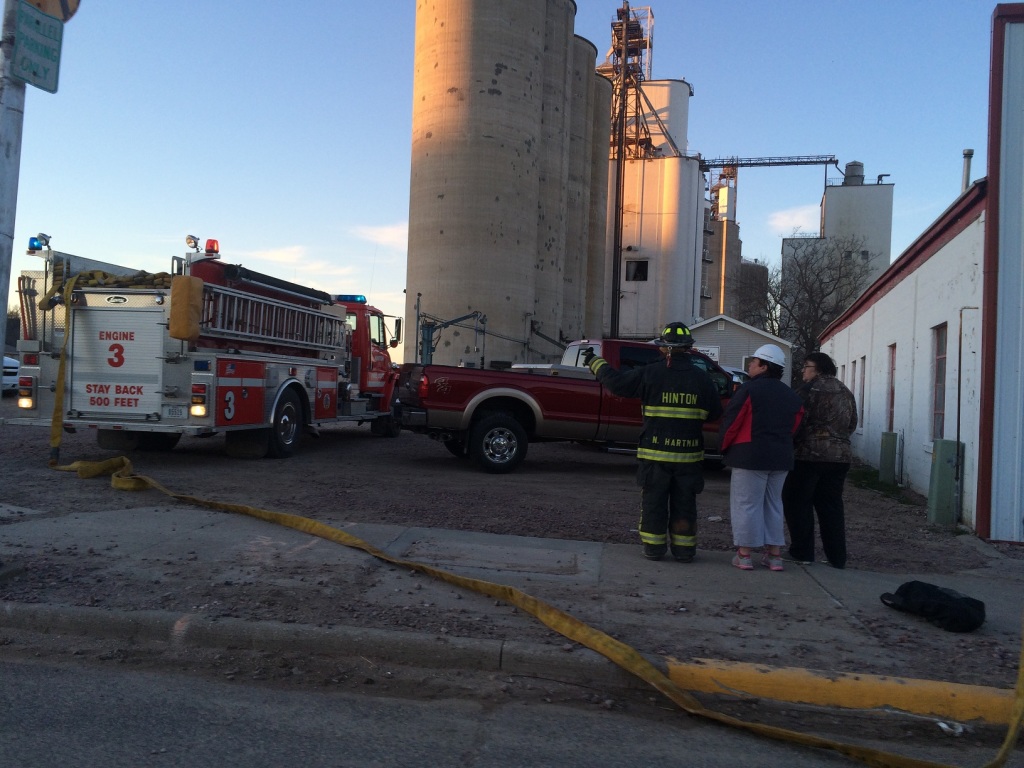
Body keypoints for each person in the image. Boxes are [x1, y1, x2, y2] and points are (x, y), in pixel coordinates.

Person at [584, 322, 723, 563]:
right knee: (685, 504)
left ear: (664, 349)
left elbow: (617, 384)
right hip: (688, 458)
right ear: (689, 349)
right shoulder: (702, 379)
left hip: (655, 455)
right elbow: (714, 413)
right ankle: (684, 550)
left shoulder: (650, 373)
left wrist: (595, 362)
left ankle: (654, 549)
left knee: (654, 502)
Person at [719, 344, 804, 571]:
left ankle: (744, 554)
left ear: (764, 366)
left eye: (754, 362)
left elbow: (732, 422)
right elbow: (795, 427)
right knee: (774, 504)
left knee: (747, 504)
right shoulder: (792, 396)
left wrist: (724, 447)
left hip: (749, 456)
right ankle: (774, 555)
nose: (750, 365)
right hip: (781, 457)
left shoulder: (748, 391)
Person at [782, 351, 858, 569]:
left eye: (806, 366)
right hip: (840, 457)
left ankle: (801, 551)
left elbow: (796, 421)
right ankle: (837, 557)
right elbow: (853, 423)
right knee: (831, 506)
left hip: (809, 455)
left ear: (818, 369)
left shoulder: (809, 390)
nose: (803, 370)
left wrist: (793, 442)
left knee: (797, 501)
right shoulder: (845, 391)